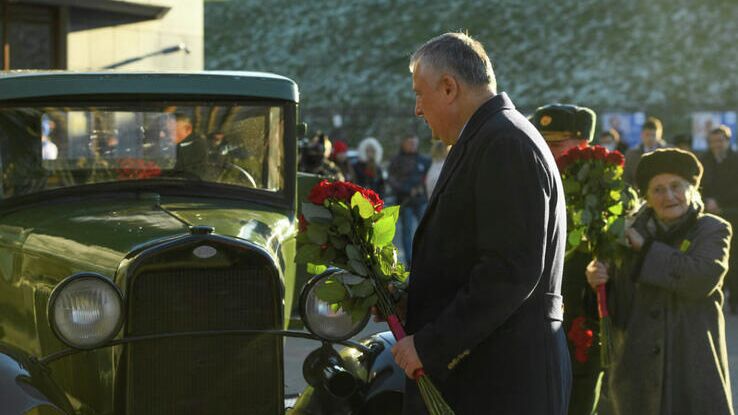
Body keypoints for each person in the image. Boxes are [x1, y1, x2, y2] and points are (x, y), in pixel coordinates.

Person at [392, 32, 571, 414]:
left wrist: (431, 344)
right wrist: (413, 300)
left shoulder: (504, 143)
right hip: (492, 375)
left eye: (419, 94)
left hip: (500, 382)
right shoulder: (490, 137)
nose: (417, 110)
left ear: (448, 87)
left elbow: (509, 271)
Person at [586, 149, 733, 415]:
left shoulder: (711, 229)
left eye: (676, 186)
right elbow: (619, 310)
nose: (668, 196)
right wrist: (599, 281)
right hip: (636, 376)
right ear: (647, 199)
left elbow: (700, 278)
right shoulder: (625, 235)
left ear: (691, 189)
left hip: (691, 369)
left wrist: (645, 250)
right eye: (658, 189)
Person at [531, 104, 602, 415]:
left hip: (581, 315)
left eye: (557, 144)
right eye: (541, 141)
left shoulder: (602, 190)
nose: (546, 150)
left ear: (582, 144)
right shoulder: (531, 180)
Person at [700, 125, 738, 313]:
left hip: (733, 215)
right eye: (714, 141)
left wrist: (720, 201)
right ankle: (715, 297)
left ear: (727, 141)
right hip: (711, 216)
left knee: (735, 259)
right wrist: (708, 201)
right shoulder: (704, 160)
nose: (717, 145)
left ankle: (736, 301)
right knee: (713, 257)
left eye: (720, 141)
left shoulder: (735, 159)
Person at [387, 134, 430, 263]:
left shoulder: (424, 160)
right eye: (410, 143)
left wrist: (422, 188)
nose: (412, 145)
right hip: (405, 202)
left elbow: (431, 177)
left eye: (414, 143)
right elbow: (392, 180)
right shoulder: (396, 161)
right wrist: (407, 189)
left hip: (421, 200)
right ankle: (410, 262)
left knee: (426, 231)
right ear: (403, 144)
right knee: (407, 233)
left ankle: (426, 259)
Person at [623, 116, 667, 184]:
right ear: (642, 134)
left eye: (653, 135)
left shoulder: (667, 153)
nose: (650, 138)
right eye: (647, 135)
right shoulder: (631, 155)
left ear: (660, 135)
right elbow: (627, 179)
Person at [171, 113, 208, 177]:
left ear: (188, 130)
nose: (161, 135)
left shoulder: (196, 147)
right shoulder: (164, 145)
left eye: (170, 131)